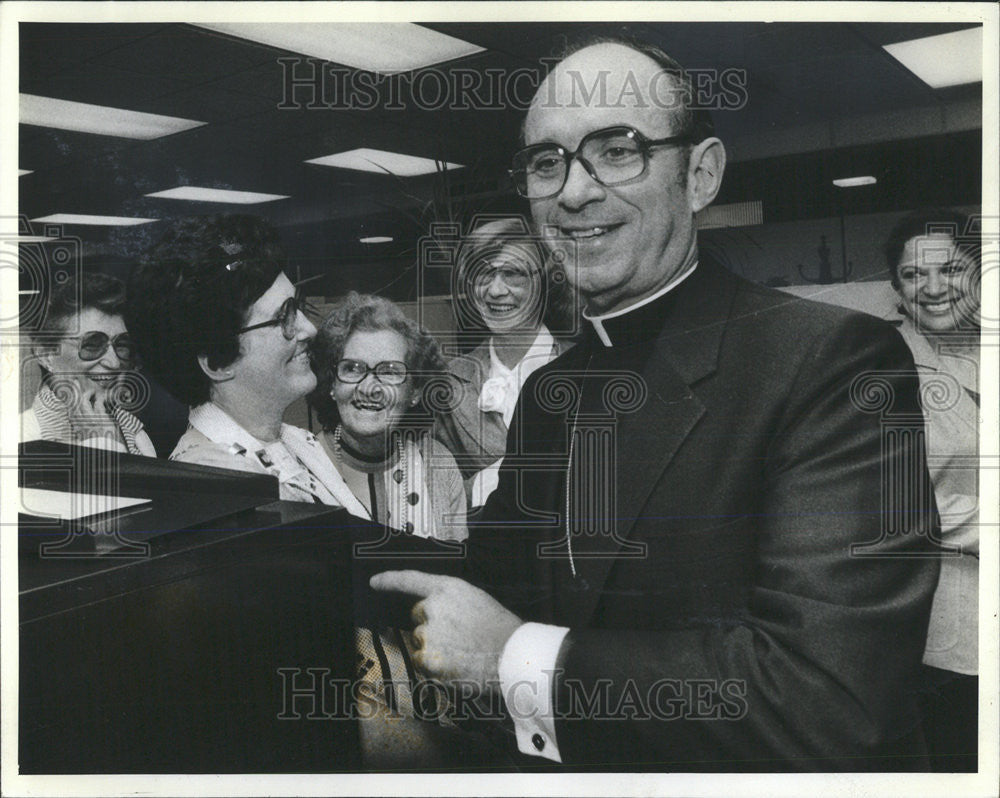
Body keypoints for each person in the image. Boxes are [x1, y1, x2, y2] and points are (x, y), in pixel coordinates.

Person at [370, 38, 941, 771]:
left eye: (618, 150)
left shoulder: (829, 362)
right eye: (547, 162)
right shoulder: (550, 394)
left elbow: (831, 697)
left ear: (700, 175)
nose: (574, 192)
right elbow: (492, 584)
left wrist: (514, 656)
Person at [124, 214, 358, 506]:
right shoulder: (215, 483)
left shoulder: (297, 442)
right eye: (283, 317)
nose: (308, 329)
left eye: (297, 306)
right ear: (217, 363)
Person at [885, 208, 980, 771]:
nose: (934, 288)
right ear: (896, 289)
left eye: (951, 269)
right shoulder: (879, 365)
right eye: (914, 275)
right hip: (945, 631)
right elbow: (893, 492)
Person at [438, 217, 575, 505]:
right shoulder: (449, 381)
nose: (496, 290)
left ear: (545, 282)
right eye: (484, 274)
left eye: (513, 273)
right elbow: (433, 492)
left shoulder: (588, 365)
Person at [309, 292, 467, 542]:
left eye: (390, 371)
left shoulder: (438, 465)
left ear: (414, 391)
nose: (369, 388)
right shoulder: (303, 466)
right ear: (331, 384)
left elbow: (458, 569)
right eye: (352, 368)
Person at [21, 272, 156, 456]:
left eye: (122, 345)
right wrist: (103, 444)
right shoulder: (20, 437)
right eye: (92, 344)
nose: (114, 363)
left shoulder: (137, 436)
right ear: (46, 355)